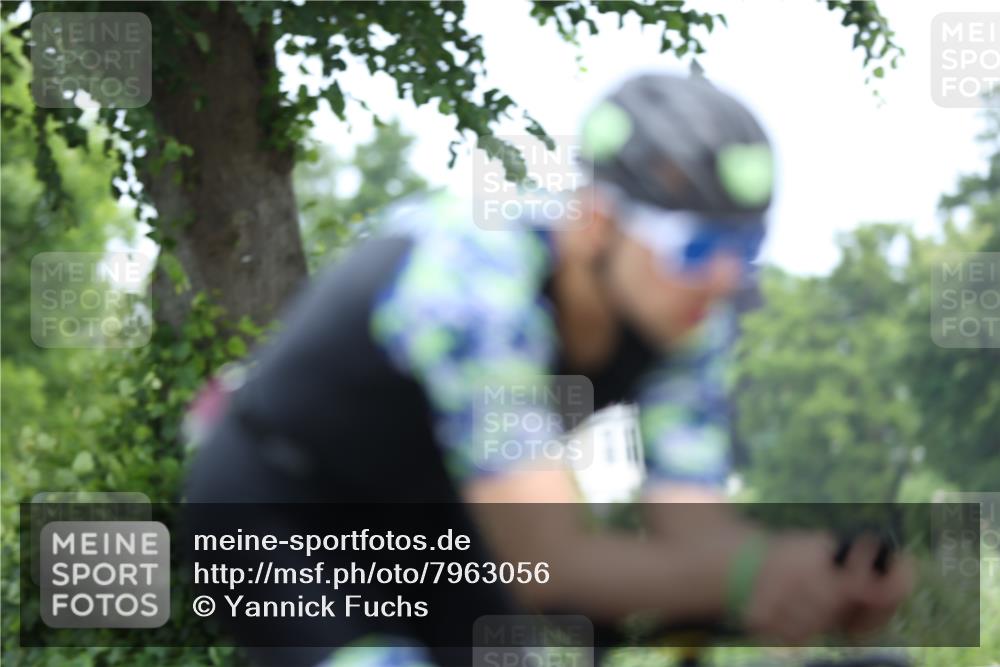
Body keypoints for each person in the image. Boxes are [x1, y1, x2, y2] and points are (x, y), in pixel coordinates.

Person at [184, 73, 912, 667]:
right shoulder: (478, 282)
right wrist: (753, 572)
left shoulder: (691, 315)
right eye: (692, 247)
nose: (721, 277)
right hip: (270, 507)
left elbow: (691, 535)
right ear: (596, 223)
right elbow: (552, 556)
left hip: (429, 514)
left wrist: (812, 579)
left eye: (743, 244)